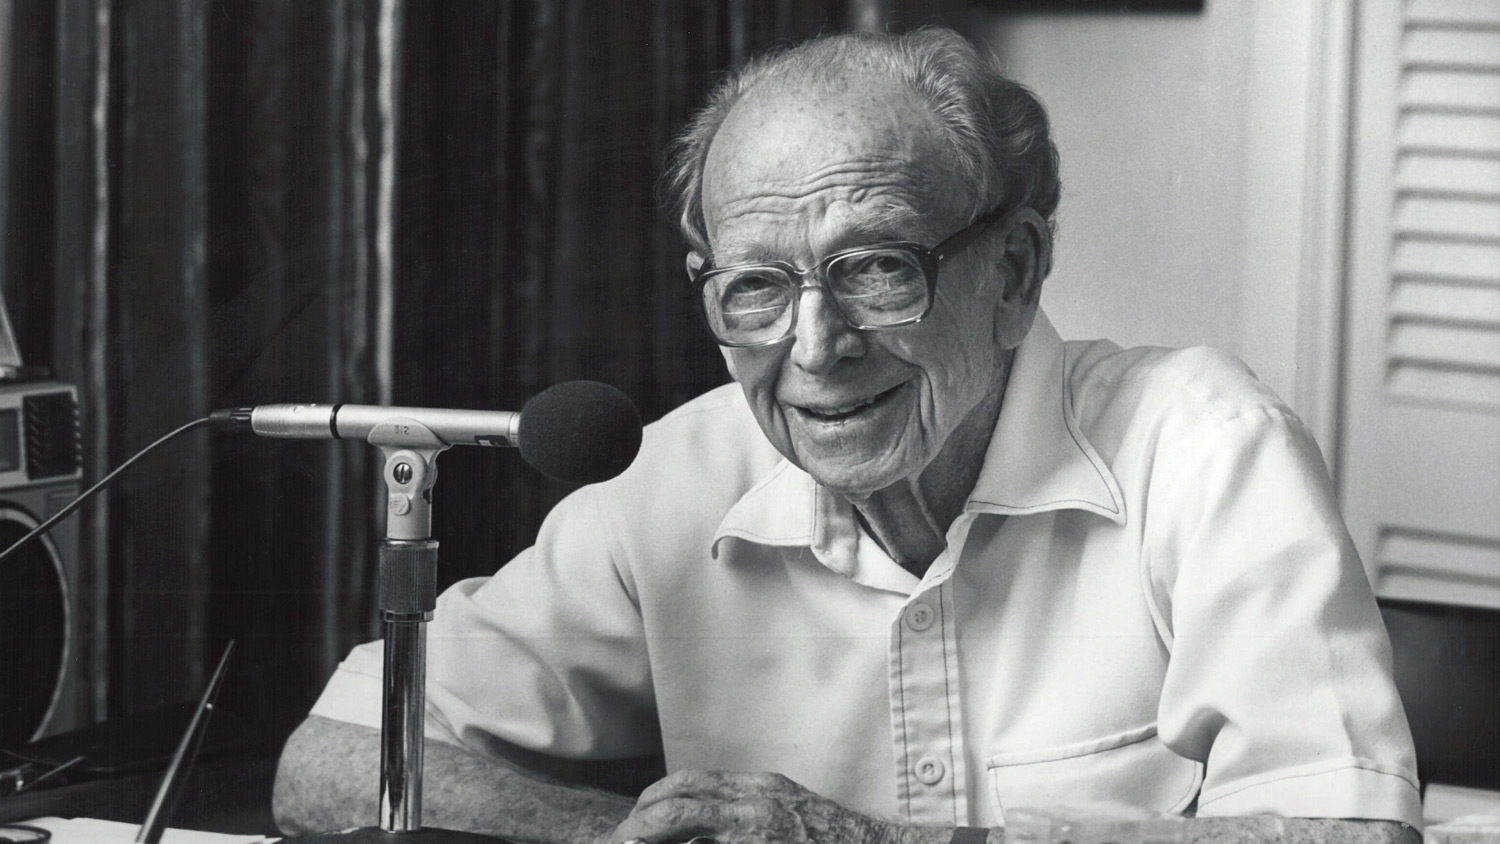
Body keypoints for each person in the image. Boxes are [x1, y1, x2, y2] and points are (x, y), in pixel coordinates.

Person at [272, 27, 1422, 844]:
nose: (816, 347)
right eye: (757, 288)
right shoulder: (676, 477)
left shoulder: (1207, 446)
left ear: (1012, 270)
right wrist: (622, 834)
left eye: (876, 267)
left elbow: (1351, 833)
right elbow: (330, 764)